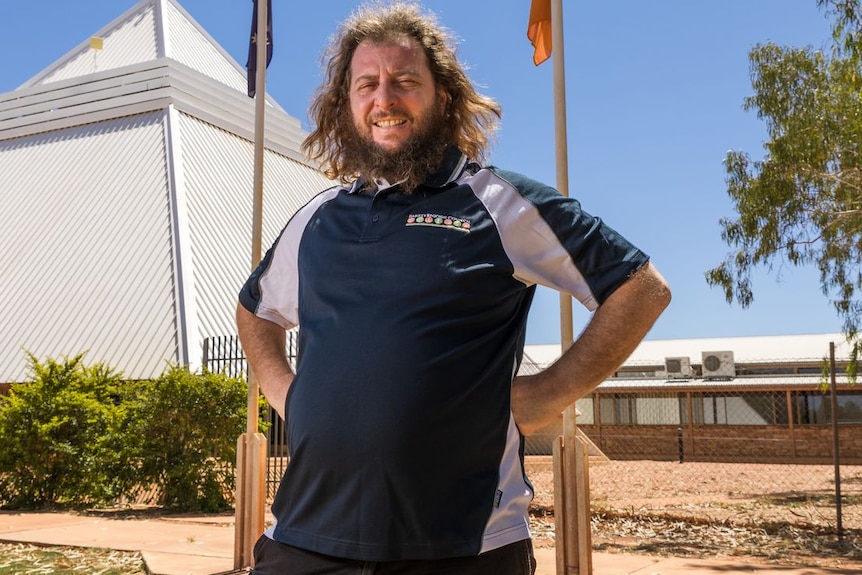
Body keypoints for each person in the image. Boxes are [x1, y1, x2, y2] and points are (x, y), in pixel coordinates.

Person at [236, 2, 671, 573]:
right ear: (346, 103)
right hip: (303, 539)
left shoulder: (499, 203)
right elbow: (256, 311)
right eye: (366, 84)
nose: (384, 99)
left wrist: (549, 393)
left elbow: (641, 288)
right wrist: (287, 394)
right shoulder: (317, 217)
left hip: (463, 545)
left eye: (404, 81)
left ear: (443, 94)